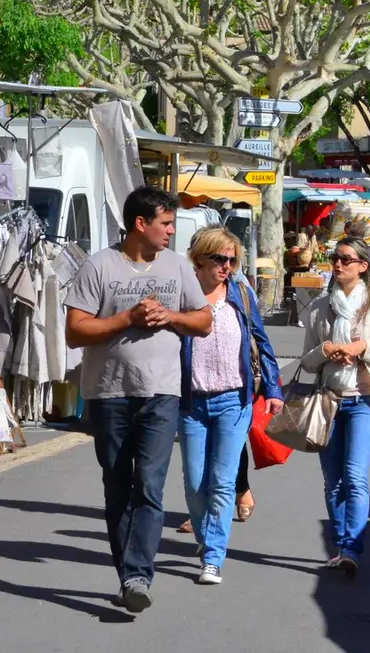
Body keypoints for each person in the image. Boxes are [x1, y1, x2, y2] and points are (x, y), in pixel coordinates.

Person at [65, 185, 213, 614]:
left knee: (149, 485)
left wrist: (170, 316)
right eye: (165, 223)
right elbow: (75, 331)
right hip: (109, 393)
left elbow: (203, 320)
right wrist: (127, 318)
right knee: (117, 487)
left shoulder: (177, 266)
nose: (171, 231)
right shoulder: (99, 266)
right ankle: (128, 574)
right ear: (140, 223)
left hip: (161, 392)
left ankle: (137, 577)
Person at [175, 227, 281, 586]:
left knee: (222, 483)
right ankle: (207, 539)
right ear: (200, 258)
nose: (227, 266)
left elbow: (262, 343)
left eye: (232, 260)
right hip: (191, 403)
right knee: (195, 484)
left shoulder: (241, 294)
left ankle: (213, 557)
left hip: (234, 401)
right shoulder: (182, 295)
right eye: (220, 258)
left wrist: (273, 389)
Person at [298, 236, 370, 576]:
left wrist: (362, 347)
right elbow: (307, 361)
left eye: (345, 259)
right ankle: (341, 544)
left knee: (356, 477)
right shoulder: (319, 307)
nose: (338, 264)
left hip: (364, 402)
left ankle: (351, 549)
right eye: (335, 257)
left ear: (362, 266)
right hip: (328, 401)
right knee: (333, 482)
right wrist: (325, 350)